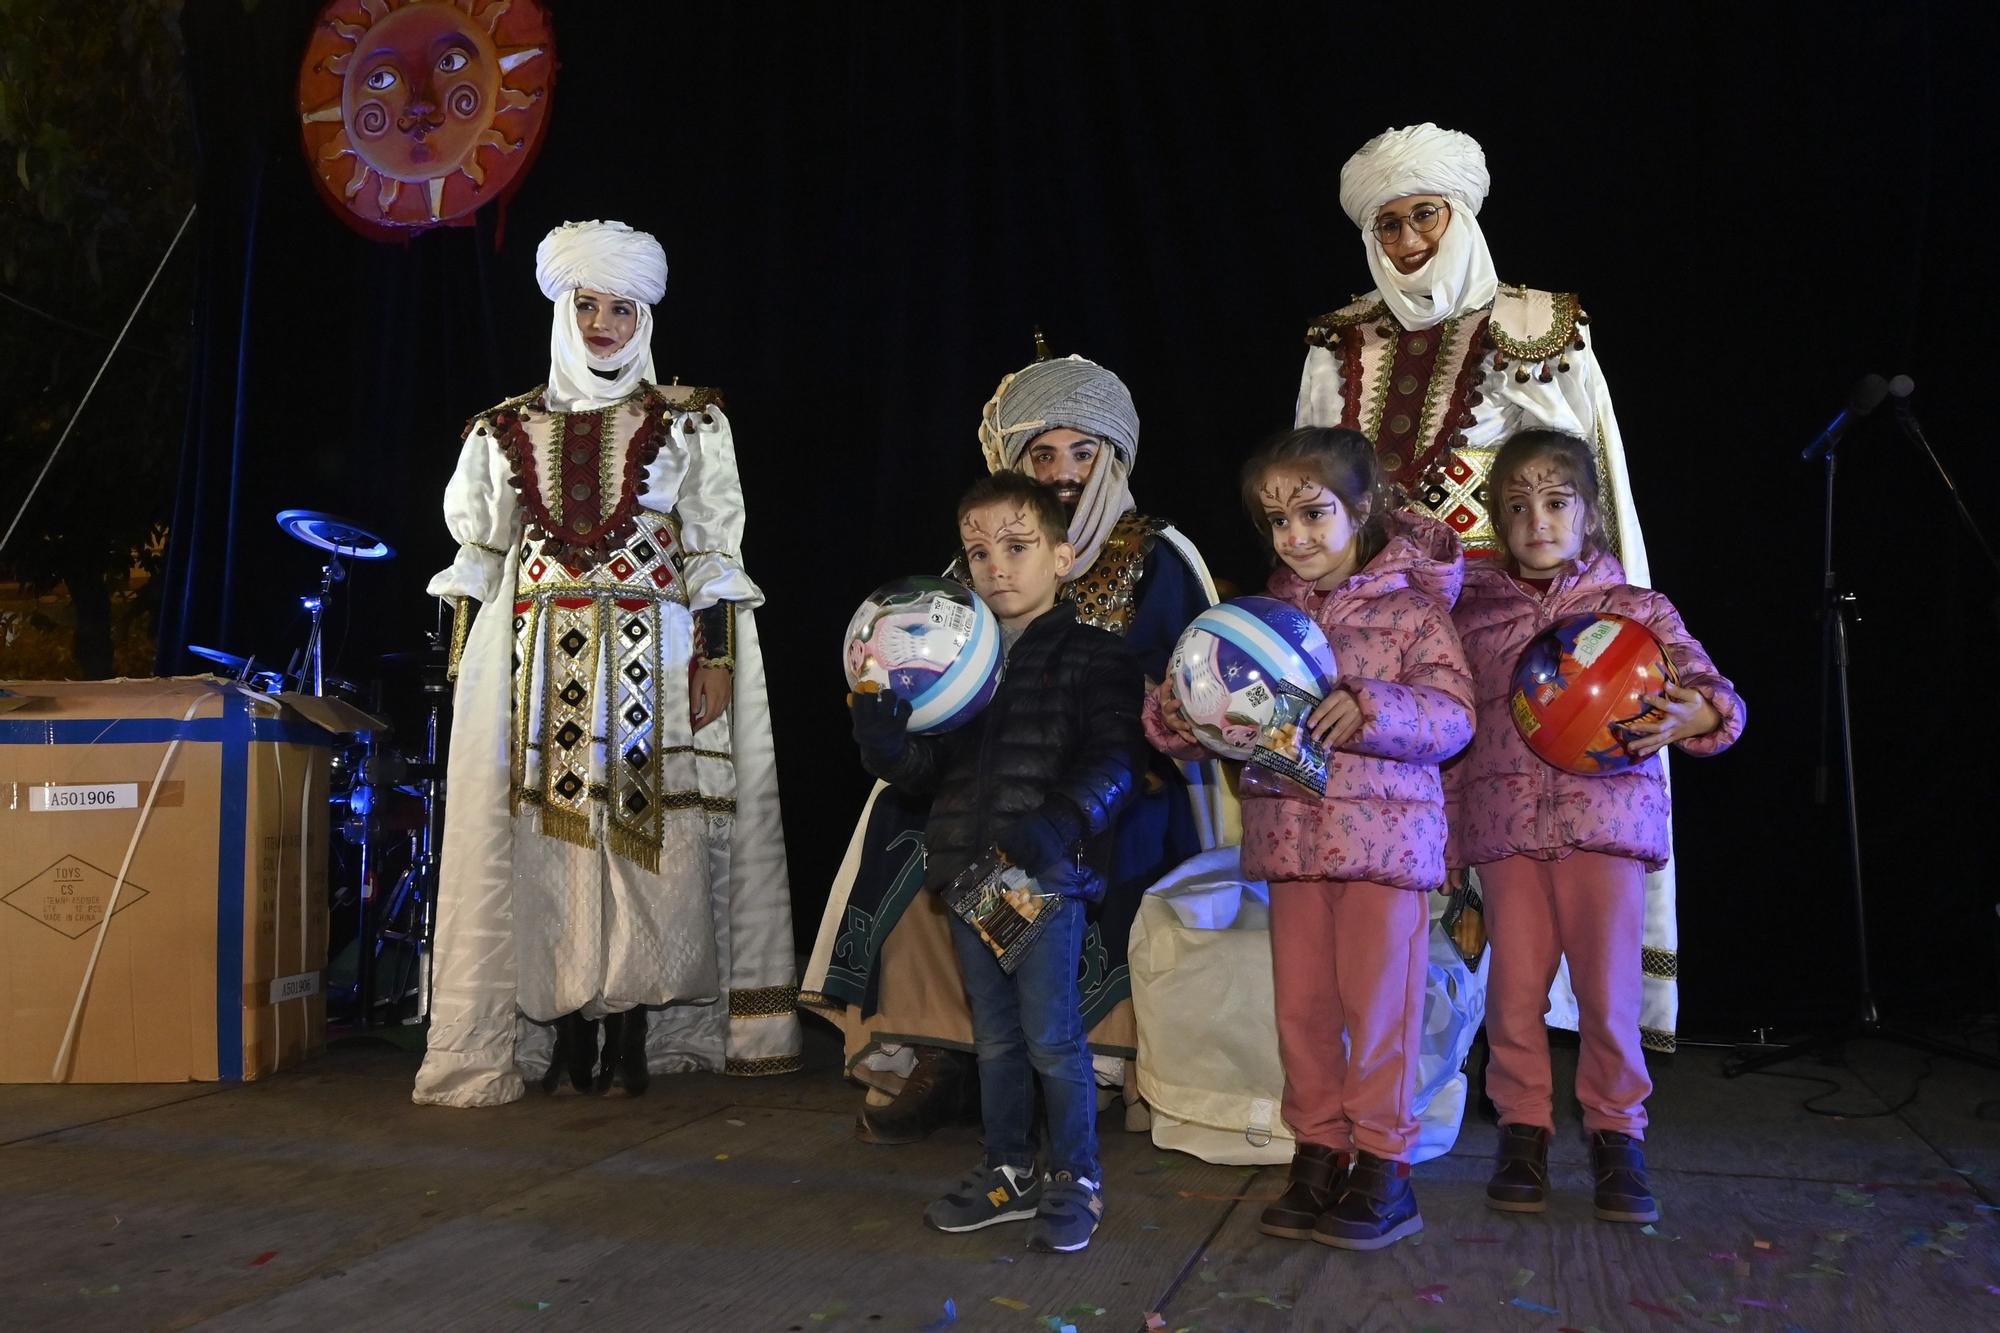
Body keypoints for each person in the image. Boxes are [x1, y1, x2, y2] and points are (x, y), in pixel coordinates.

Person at [1296, 121, 1682, 1057]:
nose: (1409, 240)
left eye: (1425, 214)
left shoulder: (1539, 325)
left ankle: (1521, 1047)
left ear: (1460, 213)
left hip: (1520, 619)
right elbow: (1313, 494)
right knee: (1403, 825)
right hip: (1390, 627)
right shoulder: (1337, 344)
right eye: (1387, 225)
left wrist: (1603, 619)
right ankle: (1417, 1047)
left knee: (1518, 825)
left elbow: (1590, 479)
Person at [413, 219, 799, 1109]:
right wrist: (474, 682)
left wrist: (716, 659)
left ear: (643, 318)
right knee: (549, 855)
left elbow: (713, 552)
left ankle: (629, 1039)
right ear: (561, 309)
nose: (602, 322)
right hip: (540, 674)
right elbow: (477, 559)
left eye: (620, 308)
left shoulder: (690, 419)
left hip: (653, 674)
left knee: (644, 849)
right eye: (586, 304)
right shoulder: (502, 429)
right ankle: (566, 1042)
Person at [801, 354, 1224, 1142]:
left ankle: (1084, 1057)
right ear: (1014, 461)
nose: (1064, 473)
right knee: (905, 821)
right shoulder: (976, 564)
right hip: (988, 767)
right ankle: (939, 1046)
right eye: (1044, 455)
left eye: (1083, 452)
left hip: (1122, 773)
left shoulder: (1160, 552)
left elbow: (1194, 691)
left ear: (1113, 457)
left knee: (1103, 836)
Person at [1144, 427, 1473, 1251]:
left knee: (1381, 1009)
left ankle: (1385, 1166)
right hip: (1291, 845)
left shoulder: (1414, 612)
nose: (1296, 537)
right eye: (1277, 522)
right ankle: (1319, 1152)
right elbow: (1215, 715)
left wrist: (1374, 707)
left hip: (1384, 852)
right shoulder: (1264, 617)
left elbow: (1456, 715)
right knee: (1303, 1011)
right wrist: (1180, 716)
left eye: (1314, 514)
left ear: (1360, 508)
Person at [1447, 429, 1743, 1222]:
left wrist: (1704, 708)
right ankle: (1523, 1130)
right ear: (1496, 517)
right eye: (1517, 506)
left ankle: (1618, 1135)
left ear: (1591, 516)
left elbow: (1714, 687)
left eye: (1555, 502)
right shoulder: (1473, 617)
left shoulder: (1637, 610)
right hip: (1506, 833)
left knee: (1609, 1000)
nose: (1537, 521)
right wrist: (1443, 840)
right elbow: (1450, 730)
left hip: (1604, 831)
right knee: (1511, 998)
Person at [848, 471, 1148, 1253]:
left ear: (1063, 556)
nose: (997, 567)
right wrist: (885, 741)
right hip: (970, 878)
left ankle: (1076, 1176)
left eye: (1017, 548)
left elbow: (1117, 759)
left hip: (1044, 877)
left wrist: (1054, 827)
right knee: (998, 1039)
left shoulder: (1095, 655)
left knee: (1053, 1036)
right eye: (979, 551)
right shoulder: (954, 667)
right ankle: (1008, 1170)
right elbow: (924, 778)